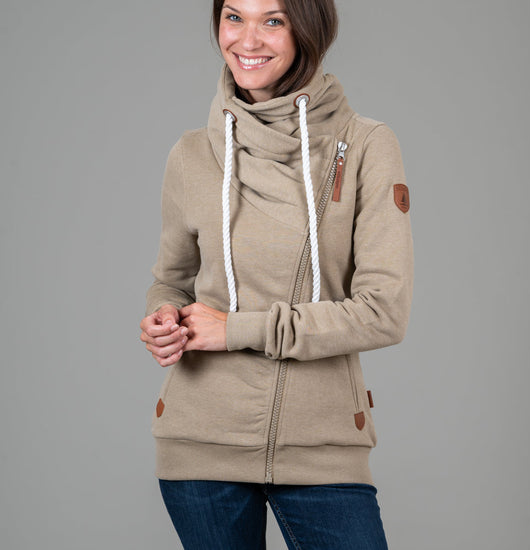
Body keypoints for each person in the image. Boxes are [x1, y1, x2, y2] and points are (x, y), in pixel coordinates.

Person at [139, 0, 413, 548]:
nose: (248, 40)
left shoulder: (364, 145)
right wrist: (162, 316)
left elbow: (384, 313)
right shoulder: (191, 154)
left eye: (273, 20)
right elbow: (172, 280)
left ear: (308, 29)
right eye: (233, 17)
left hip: (322, 443)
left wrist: (234, 329)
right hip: (200, 441)